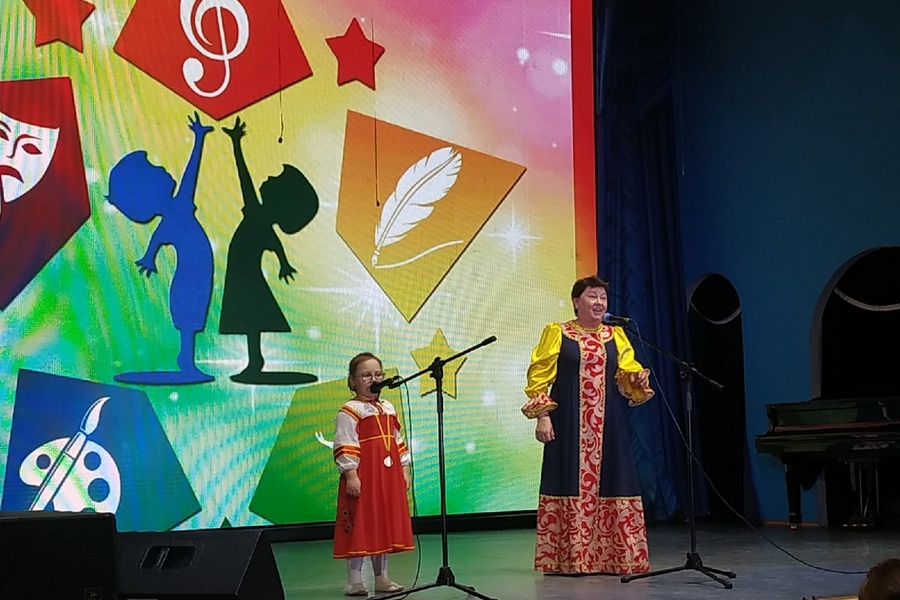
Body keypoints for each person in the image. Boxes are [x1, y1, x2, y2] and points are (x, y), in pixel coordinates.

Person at [522, 275, 654, 575]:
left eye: (603, 298)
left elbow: (627, 371)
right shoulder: (558, 332)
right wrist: (542, 415)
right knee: (567, 480)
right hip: (568, 421)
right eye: (592, 296)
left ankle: (615, 557)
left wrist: (635, 377)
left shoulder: (616, 335)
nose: (599, 302)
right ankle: (571, 559)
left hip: (609, 424)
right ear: (576, 302)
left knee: (614, 479)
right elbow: (539, 376)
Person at [107, 111, 214, 383]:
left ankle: (187, 360)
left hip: (197, 273)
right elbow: (190, 175)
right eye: (155, 170)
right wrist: (148, 257)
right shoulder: (178, 210)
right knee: (190, 317)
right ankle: (186, 361)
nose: (162, 170)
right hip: (190, 277)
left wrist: (199, 138)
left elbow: (157, 239)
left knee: (194, 316)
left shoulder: (177, 210)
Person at [218, 116, 319, 383]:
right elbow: (275, 246)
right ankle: (255, 361)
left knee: (251, 321)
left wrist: (236, 144)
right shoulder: (261, 219)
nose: (268, 178)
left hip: (246, 279)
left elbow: (244, 178)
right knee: (251, 322)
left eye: (274, 179)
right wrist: (283, 264)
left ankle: (255, 362)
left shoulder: (257, 215)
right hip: (244, 277)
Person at [332, 352, 413, 596]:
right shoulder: (350, 411)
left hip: (387, 477)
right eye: (366, 375)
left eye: (378, 374)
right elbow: (345, 443)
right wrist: (351, 475)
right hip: (364, 476)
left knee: (382, 523)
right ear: (353, 380)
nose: (374, 379)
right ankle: (354, 581)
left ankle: (382, 578)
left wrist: (404, 469)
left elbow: (397, 440)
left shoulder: (388, 407)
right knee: (361, 523)